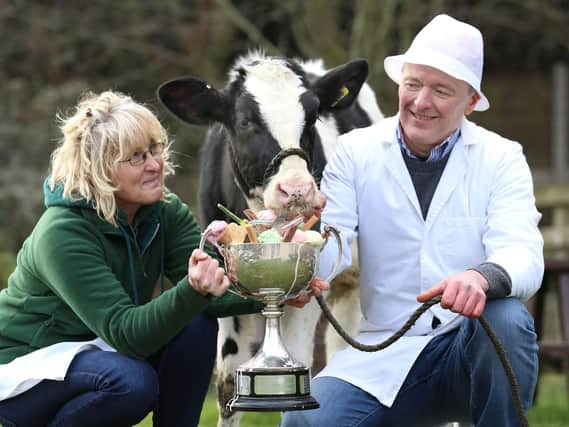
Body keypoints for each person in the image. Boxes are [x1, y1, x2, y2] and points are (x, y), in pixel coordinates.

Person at [0, 90, 324, 427]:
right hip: (25, 368)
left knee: (196, 324)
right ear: (99, 170)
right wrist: (194, 291)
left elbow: (214, 287)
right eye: (136, 157)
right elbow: (127, 333)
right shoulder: (62, 234)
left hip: (96, 351)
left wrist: (281, 288)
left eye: (155, 149)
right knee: (132, 383)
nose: (155, 164)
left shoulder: (163, 210)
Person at [281, 14, 544, 427]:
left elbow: (523, 252)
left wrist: (479, 277)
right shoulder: (355, 151)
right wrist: (300, 262)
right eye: (413, 84)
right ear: (399, 83)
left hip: (469, 350)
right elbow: (333, 242)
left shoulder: (502, 158)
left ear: (471, 100)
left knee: (505, 317)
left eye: (441, 90)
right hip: (383, 354)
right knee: (305, 421)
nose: (421, 102)